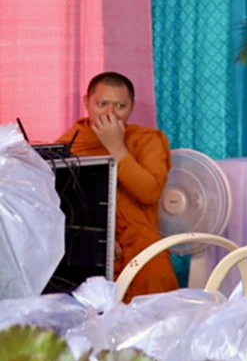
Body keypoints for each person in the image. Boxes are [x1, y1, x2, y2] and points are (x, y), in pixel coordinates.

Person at [56, 73, 177, 299]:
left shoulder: (146, 140)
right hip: (86, 246)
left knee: (157, 289)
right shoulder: (69, 145)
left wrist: (116, 148)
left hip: (140, 245)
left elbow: (150, 193)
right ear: (87, 102)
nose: (110, 114)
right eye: (102, 104)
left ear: (132, 107)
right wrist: (99, 241)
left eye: (120, 106)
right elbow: (61, 206)